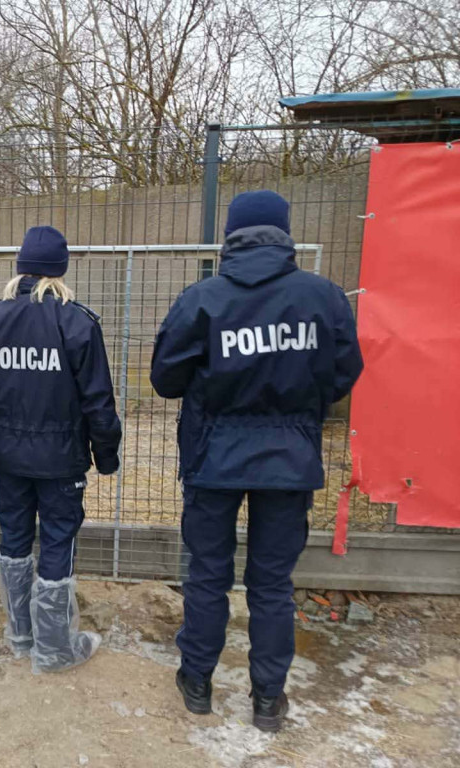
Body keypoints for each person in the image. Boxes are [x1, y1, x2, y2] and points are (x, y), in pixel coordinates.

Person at [151, 190, 363, 731]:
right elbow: (343, 375)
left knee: (208, 574)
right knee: (270, 583)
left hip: (213, 457)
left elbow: (165, 379)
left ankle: (197, 681)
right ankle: (268, 698)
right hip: (289, 459)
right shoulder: (324, 298)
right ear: (284, 233)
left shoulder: (202, 299)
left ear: (231, 235)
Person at [0, 225, 122, 673]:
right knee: (57, 541)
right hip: (61, 461)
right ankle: (52, 649)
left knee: (13, 536)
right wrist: (106, 455)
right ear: (61, 270)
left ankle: (21, 635)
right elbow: (99, 401)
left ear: (21, 267)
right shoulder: (77, 322)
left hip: (7, 457)